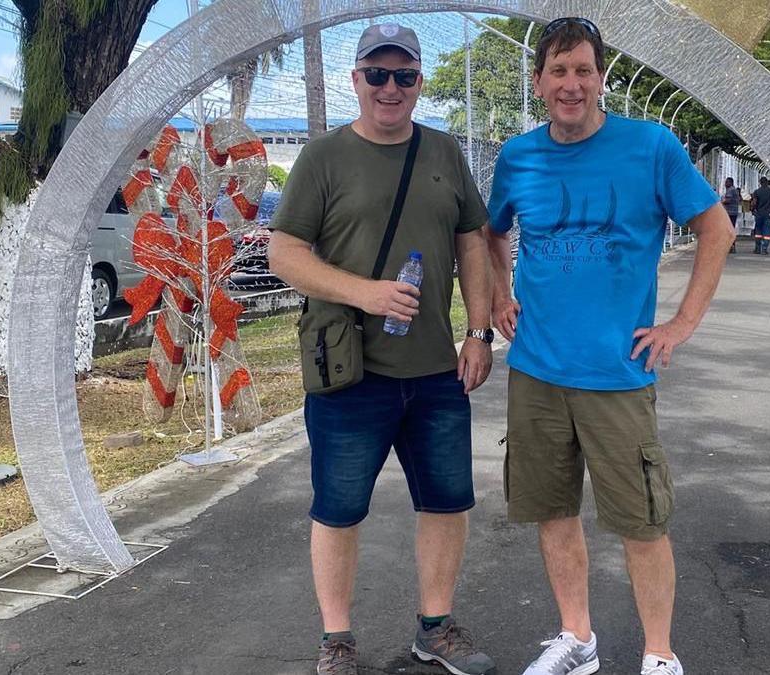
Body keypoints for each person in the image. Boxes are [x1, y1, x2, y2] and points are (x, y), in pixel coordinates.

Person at [484, 17, 735, 675]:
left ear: (601, 79)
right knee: (552, 512)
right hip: (536, 369)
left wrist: (681, 324)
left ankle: (659, 652)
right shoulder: (518, 157)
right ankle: (578, 639)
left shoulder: (650, 147)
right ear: (538, 82)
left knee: (642, 523)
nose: (572, 84)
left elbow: (717, 229)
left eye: (584, 71)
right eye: (559, 71)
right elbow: (491, 233)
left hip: (618, 375)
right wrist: (499, 292)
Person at [267, 23, 496, 675]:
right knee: (338, 509)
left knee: (447, 501)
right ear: (357, 80)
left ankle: (436, 626)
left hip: (435, 372)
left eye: (404, 76)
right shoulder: (323, 158)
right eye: (377, 74)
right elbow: (284, 251)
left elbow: (473, 240)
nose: (390, 88)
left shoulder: (445, 152)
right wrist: (364, 292)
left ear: (419, 82)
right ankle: (336, 637)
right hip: (349, 375)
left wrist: (479, 331)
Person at [750, 176, 770, 254]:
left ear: (760, 183)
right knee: (767, 231)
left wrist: (753, 210)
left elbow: (754, 203)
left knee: (758, 231)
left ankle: (757, 248)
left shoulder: (757, 191)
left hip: (759, 213)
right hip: (768, 213)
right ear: (767, 182)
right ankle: (765, 248)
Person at [721, 177, 742, 253]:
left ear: (731, 183)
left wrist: (721, 202)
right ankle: (731, 246)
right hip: (733, 212)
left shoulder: (730, 190)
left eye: (727, 182)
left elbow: (728, 200)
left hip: (730, 212)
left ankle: (730, 246)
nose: (725, 184)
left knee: (728, 229)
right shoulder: (734, 190)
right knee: (731, 228)